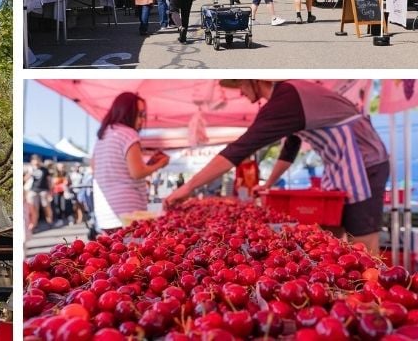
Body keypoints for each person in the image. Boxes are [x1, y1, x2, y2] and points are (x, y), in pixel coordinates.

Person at [165, 80, 390, 254]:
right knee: (330, 233)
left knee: (361, 235)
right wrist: (269, 184)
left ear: (257, 80)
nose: (241, 92)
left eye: (242, 84)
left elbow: (239, 149)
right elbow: (290, 147)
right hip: (340, 165)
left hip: (364, 161)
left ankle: (372, 301)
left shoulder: (286, 99)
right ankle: (339, 287)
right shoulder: (290, 97)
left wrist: (189, 187)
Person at [91, 92, 170, 231]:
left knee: (110, 250)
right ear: (127, 112)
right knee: (131, 251)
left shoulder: (102, 136)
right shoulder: (129, 134)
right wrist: (160, 164)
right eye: (139, 114)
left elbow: (98, 168)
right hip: (128, 211)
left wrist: (150, 164)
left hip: (104, 211)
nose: (141, 120)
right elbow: (137, 172)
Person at [26, 155, 52, 229]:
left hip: (44, 190)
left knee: (46, 206)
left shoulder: (45, 169)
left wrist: (50, 191)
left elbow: (49, 180)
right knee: (34, 208)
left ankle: (49, 221)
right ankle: (35, 224)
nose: (36, 162)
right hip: (33, 190)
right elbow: (25, 180)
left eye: (38, 160)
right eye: (35, 160)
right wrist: (30, 173)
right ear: (32, 162)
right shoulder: (30, 170)